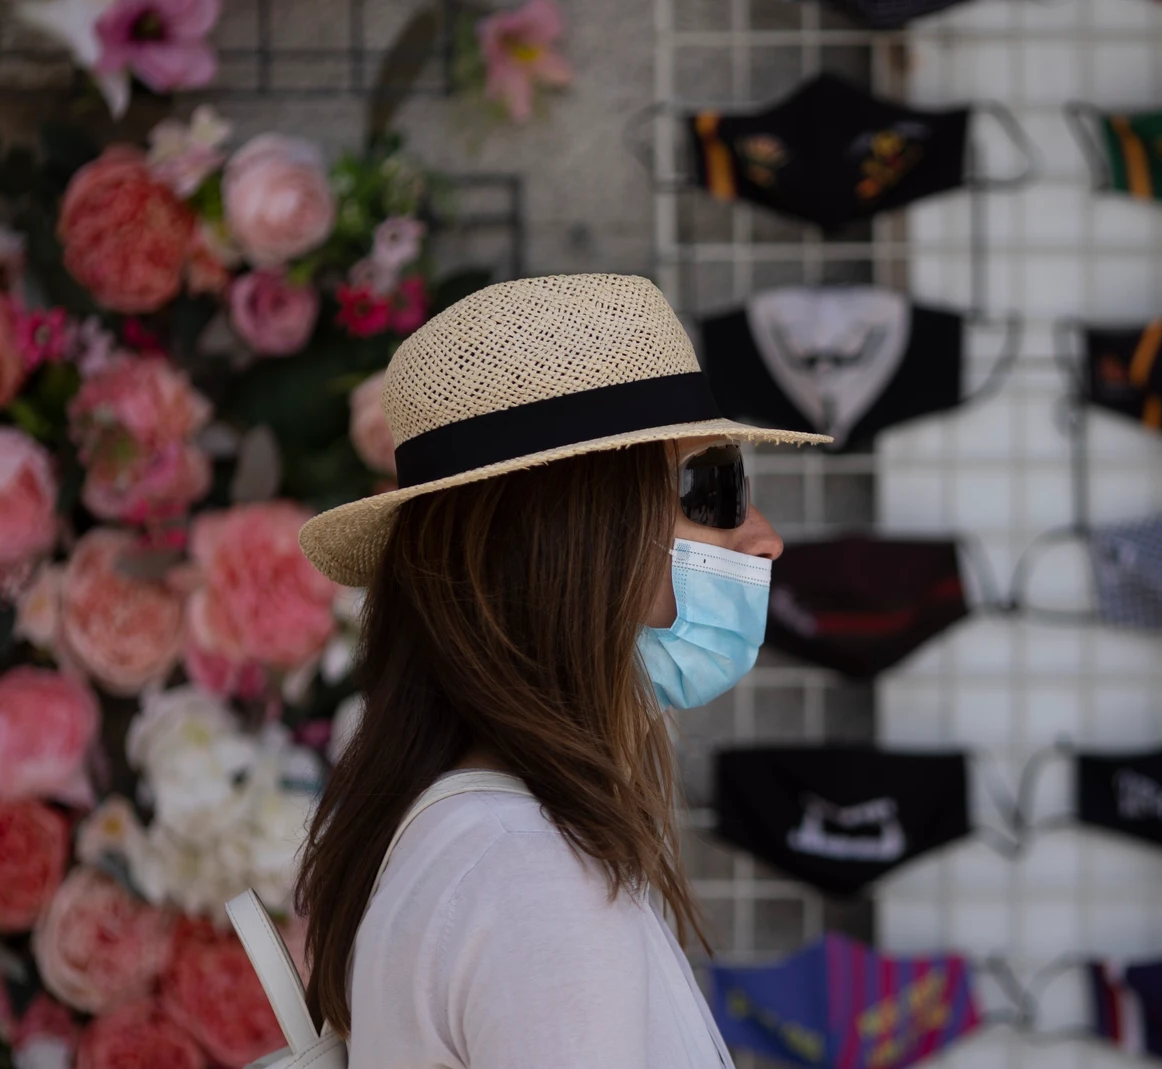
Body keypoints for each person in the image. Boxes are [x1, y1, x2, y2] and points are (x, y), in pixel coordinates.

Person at [292, 274, 830, 1067]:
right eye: (712, 490)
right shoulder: (531, 876)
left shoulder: (480, 844)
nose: (765, 537)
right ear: (568, 535)